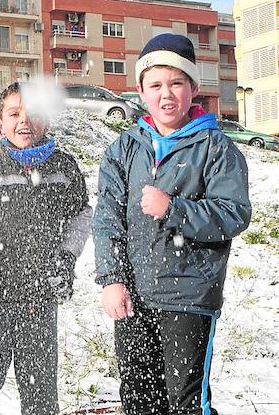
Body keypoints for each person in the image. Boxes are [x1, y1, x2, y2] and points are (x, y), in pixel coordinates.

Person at [94, 33, 251, 415]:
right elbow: (107, 218)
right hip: (134, 296)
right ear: (140, 90)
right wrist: (112, 280)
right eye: (156, 85)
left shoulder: (215, 148)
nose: (167, 95)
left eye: (177, 83)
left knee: (186, 403)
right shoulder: (124, 148)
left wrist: (173, 209)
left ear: (193, 87)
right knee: (137, 398)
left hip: (188, 297)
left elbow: (234, 213)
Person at [0, 82, 92, 415]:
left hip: (38, 306)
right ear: (0, 122)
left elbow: (83, 215)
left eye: (34, 114)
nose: (25, 121)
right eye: (14, 113)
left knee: (41, 400)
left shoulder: (63, 168)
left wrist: (66, 258)